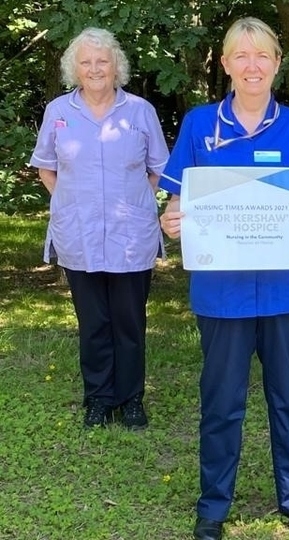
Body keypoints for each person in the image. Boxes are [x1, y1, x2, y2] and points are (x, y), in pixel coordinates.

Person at [156, 17, 289, 540]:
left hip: (288, 290)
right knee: (221, 403)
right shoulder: (199, 124)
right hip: (222, 293)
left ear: (278, 64)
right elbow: (177, 201)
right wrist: (171, 220)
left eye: (262, 55)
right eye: (241, 56)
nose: (252, 65)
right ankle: (213, 504)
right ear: (225, 65)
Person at [29, 27, 169, 430]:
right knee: (93, 323)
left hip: (131, 234)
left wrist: (132, 203)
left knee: (129, 321)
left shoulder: (140, 111)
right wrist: (70, 201)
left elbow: (157, 169)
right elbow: (46, 168)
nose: (94, 69)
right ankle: (98, 399)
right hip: (79, 232)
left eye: (102, 61)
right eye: (86, 62)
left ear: (116, 67)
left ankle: (131, 401)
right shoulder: (58, 111)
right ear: (74, 68)